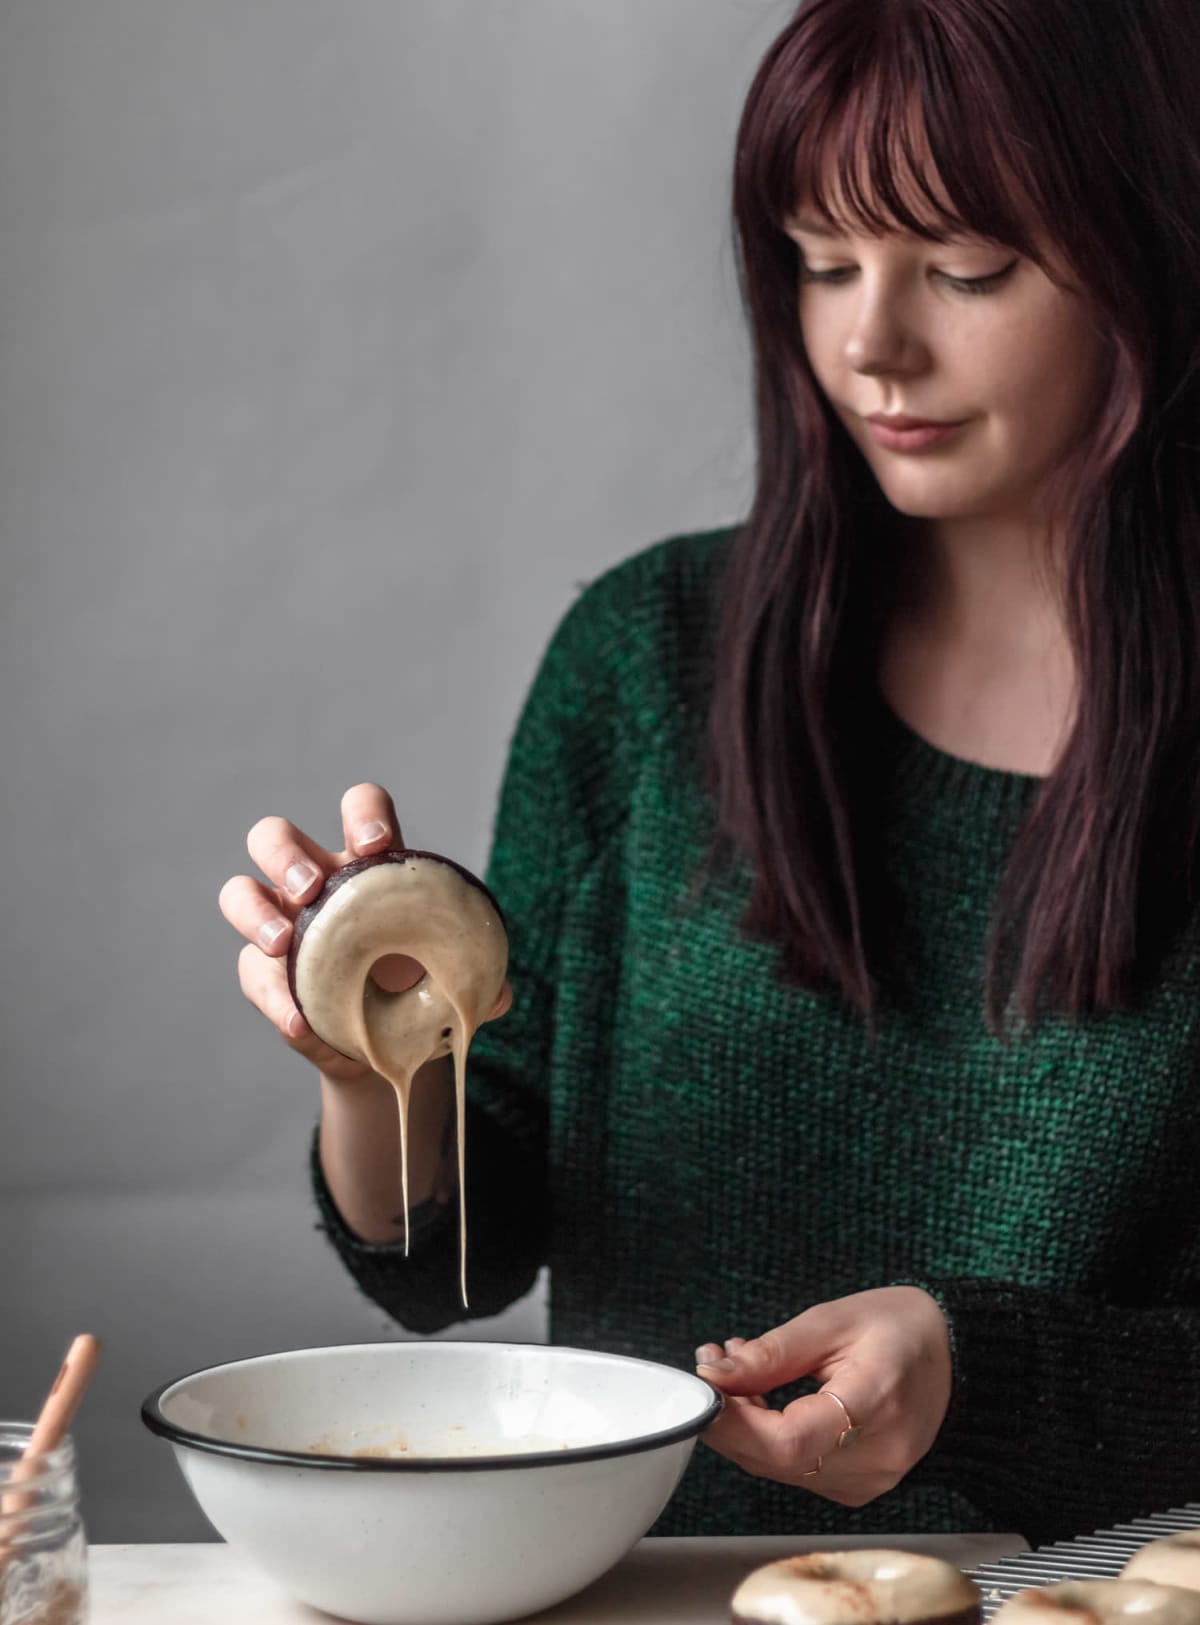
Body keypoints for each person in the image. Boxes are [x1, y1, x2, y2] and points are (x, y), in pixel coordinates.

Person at [218, 0, 1200, 1545]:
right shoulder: (647, 659)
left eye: (965, 267)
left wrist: (982, 1376)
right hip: (650, 1594)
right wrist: (375, 1069)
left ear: (1150, 249)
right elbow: (457, 1258)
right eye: (821, 263)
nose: (869, 340)